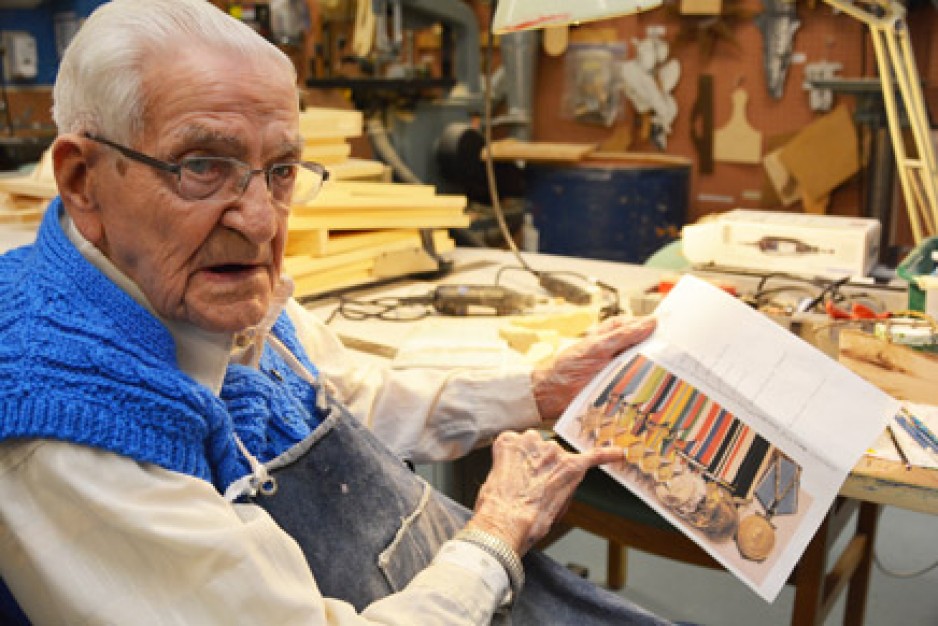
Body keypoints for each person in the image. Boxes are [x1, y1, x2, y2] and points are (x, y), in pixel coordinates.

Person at [0, 1, 669, 624]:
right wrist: (496, 535)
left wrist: (533, 391)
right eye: (202, 165)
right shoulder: (73, 427)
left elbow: (343, 396)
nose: (261, 222)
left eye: (283, 169)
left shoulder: (191, 288)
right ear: (82, 181)